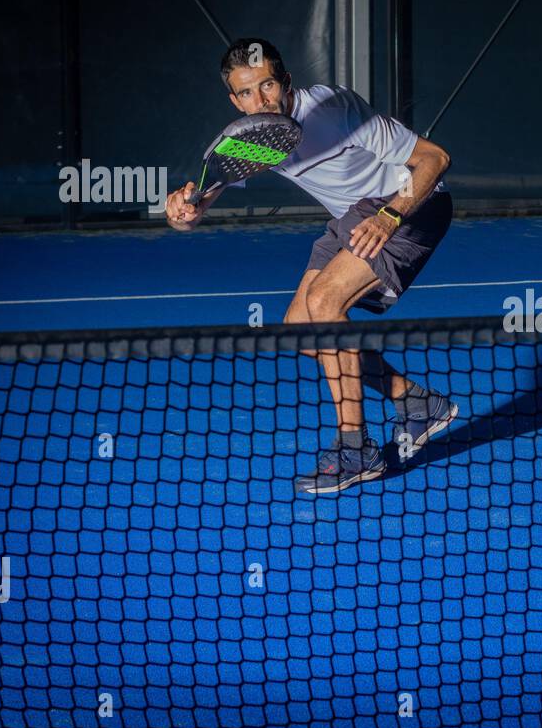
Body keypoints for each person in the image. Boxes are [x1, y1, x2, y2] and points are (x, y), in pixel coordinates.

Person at [163, 38, 457, 494]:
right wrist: (183, 210)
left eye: (267, 86)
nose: (259, 101)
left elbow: (435, 158)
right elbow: (201, 203)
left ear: (286, 82)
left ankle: (356, 448)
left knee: (324, 301)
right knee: (301, 329)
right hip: (351, 216)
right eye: (245, 93)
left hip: (407, 207)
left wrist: (390, 215)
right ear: (233, 99)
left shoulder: (333, 109)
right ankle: (415, 401)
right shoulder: (256, 137)